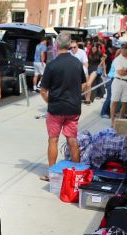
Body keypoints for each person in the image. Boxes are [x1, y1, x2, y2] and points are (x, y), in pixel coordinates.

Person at [40, 32, 87, 179]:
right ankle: (77, 173)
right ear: (69, 45)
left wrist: (51, 101)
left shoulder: (52, 65)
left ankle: (52, 173)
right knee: (72, 139)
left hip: (56, 109)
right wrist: (74, 96)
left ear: (56, 45)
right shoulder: (77, 63)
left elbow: (43, 91)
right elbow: (84, 85)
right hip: (73, 108)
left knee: (53, 139)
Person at [109, 42, 127, 127]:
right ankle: (113, 122)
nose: (123, 50)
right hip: (118, 81)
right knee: (114, 101)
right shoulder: (117, 59)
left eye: (125, 48)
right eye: (122, 48)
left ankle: (120, 120)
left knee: (125, 103)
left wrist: (126, 69)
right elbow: (120, 72)